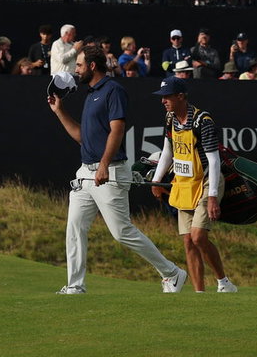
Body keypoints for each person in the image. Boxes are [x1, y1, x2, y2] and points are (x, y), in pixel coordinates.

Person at [47, 43, 185, 294]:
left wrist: (103, 166)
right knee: (75, 227)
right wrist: (60, 112)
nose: (76, 70)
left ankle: (172, 273)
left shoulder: (113, 90)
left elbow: (118, 129)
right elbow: (82, 137)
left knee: (122, 232)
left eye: (78, 65)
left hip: (109, 172)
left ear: (91, 66)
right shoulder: (90, 94)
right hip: (85, 174)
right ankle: (75, 285)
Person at [150, 77, 236, 293]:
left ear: (181, 97)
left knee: (198, 236)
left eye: (167, 97)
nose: (163, 102)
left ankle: (224, 282)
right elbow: (168, 151)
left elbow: (214, 160)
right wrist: (156, 181)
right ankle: (200, 295)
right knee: (188, 241)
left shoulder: (202, 120)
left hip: (208, 181)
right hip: (184, 184)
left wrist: (214, 196)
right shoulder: (170, 118)